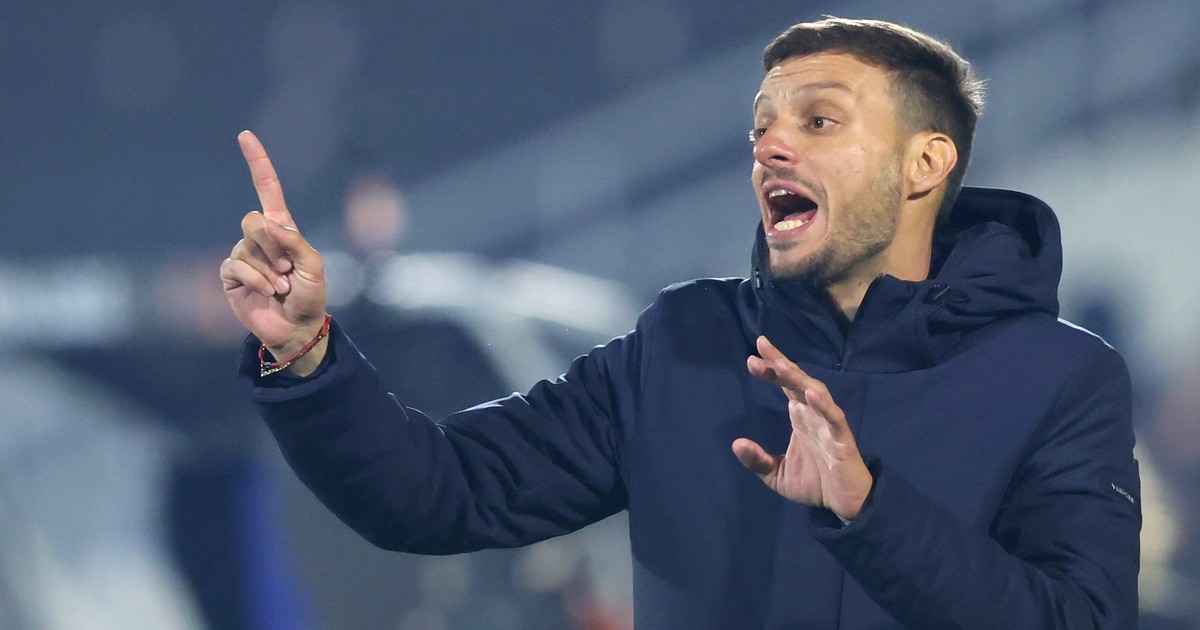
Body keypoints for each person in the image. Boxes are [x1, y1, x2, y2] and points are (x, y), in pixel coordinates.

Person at [220, 17, 1140, 628]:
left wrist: (871, 510)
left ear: (924, 164)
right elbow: (441, 489)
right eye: (762, 126)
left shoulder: (1058, 378)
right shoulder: (684, 346)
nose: (771, 145)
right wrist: (306, 357)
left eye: (820, 121)